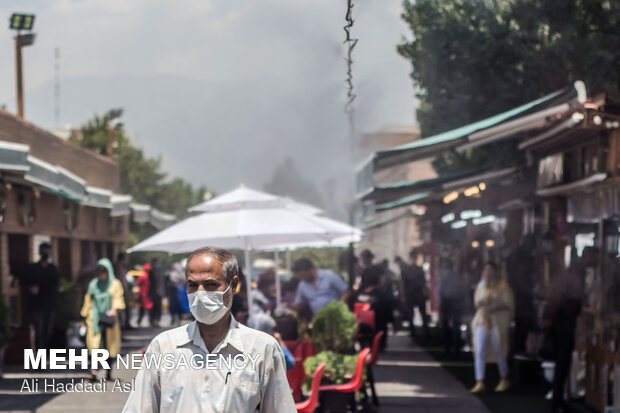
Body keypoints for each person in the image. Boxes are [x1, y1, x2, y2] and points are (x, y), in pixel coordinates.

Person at [122, 247, 296, 412]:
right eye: (192, 285)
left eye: (210, 284)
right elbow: (139, 407)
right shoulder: (164, 347)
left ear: (233, 285)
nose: (200, 293)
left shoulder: (262, 348)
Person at [544, 247, 597, 413]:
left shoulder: (575, 271)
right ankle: (557, 402)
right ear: (588, 256)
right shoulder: (576, 273)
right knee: (562, 363)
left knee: (563, 364)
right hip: (564, 323)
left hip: (563, 321)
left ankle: (559, 399)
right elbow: (561, 297)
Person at [470, 261, 514, 394]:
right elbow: (477, 302)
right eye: (486, 270)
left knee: (499, 349)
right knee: (479, 350)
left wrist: (494, 307)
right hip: (483, 321)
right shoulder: (481, 286)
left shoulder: (503, 287)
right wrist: (482, 305)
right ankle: (480, 381)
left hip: (497, 322)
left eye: (490, 270)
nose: (488, 272)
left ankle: (504, 378)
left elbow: (508, 303)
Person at [80, 259, 125, 381]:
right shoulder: (93, 284)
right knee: (94, 347)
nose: (101, 274)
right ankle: (93, 371)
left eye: (104, 271)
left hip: (109, 321)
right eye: (99, 272)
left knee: (110, 348)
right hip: (94, 320)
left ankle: (108, 372)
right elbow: (88, 301)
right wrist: (84, 316)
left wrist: (115, 309)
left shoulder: (115, 284)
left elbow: (118, 298)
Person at [25, 243, 59, 350]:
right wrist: (31, 289)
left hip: (49, 305)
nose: (45, 253)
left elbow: (56, 284)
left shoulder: (52, 268)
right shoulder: (33, 268)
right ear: (40, 252)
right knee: (39, 332)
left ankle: (42, 356)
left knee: (47, 332)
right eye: (44, 250)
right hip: (36, 306)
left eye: (47, 251)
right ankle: (40, 361)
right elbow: (25, 283)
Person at [505, 235, 536, 355]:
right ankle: (518, 351)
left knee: (519, 328)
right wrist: (530, 290)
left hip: (518, 295)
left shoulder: (516, 256)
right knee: (521, 327)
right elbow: (520, 278)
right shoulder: (523, 257)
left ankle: (517, 351)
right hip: (521, 297)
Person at [398, 249, 430, 340]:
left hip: (418, 294)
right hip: (410, 294)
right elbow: (402, 283)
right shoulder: (405, 270)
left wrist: (425, 292)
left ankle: (426, 332)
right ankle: (413, 333)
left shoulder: (419, 269)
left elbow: (424, 283)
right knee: (410, 314)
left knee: (423, 314)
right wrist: (403, 295)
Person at [438, 257, 467, 357]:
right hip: (456, 303)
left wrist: (440, 305)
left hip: (447, 303)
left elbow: (439, 292)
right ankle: (455, 348)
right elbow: (463, 290)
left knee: (446, 326)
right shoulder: (457, 276)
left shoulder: (442, 277)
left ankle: (447, 347)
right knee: (456, 326)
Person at [114, 252, 133, 330]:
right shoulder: (117, 267)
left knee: (126, 309)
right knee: (123, 310)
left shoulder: (122, 266)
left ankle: (126, 324)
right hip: (120, 291)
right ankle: (123, 325)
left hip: (124, 290)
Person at [148, 258, 165, 327]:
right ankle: (153, 321)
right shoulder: (152, 271)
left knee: (157, 308)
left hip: (158, 292)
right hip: (155, 293)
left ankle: (156, 321)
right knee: (154, 308)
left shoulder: (159, 270)